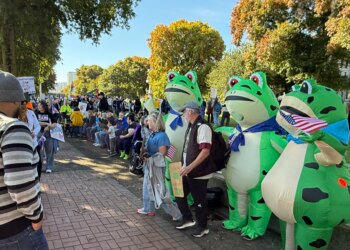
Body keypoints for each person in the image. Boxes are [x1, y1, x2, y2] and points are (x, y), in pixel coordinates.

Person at [0, 71, 48, 249]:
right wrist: (36, 216)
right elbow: (20, 185)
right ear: (13, 100)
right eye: (21, 100)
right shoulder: (13, 128)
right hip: (15, 231)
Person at [175, 101, 212, 238]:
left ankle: (202, 227)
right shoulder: (191, 125)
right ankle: (188, 219)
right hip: (188, 170)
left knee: (199, 201)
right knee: (179, 194)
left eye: (184, 112)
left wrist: (189, 167)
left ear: (190, 112)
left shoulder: (203, 127)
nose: (183, 115)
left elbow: (205, 151)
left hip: (198, 172)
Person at [137, 112, 182, 220]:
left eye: (150, 121)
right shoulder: (154, 134)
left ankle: (178, 214)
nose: (148, 123)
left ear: (155, 122)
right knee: (149, 188)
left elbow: (162, 154)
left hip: (156, 166)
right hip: (152, 165)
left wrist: (148, 156)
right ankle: (148, 208)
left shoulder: (161, 136)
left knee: (160, 193)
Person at [36, 100, 58, 173]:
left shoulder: (49, 114)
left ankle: (49, 167)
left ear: (44, 106)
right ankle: (39, 166)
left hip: (48, 134)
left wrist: (49, 127)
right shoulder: (35, 113)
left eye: (40, 105)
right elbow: (34, 122)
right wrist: (45, 123)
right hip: (39, 134)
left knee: (49, 151)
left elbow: (55, 124)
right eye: (38, 105)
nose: (39, 107)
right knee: (39, 151)